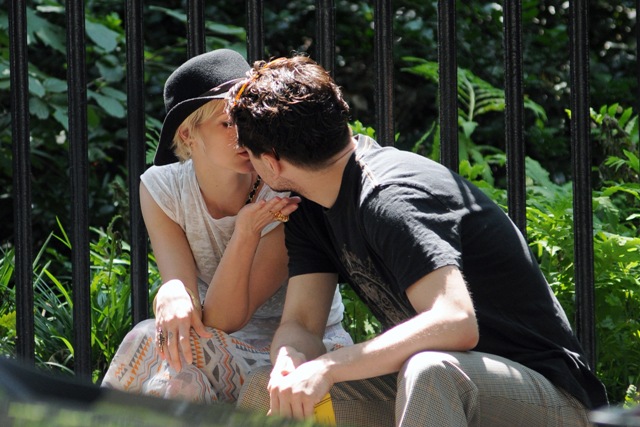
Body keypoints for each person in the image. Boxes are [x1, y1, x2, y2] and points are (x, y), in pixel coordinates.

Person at [226, 55, 609, 426]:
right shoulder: (311, 209)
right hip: (442, 391)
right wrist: (289, 360)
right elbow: (302, 323)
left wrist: (329, 367)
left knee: (430, 369)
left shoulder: (389, 198)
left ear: (271, 161)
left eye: (249, 155)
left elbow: (455, 322)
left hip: (550, 400)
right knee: (267, 389)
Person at [101, 49, 352, 404]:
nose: (245, 133)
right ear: (188, 134)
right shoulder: (162, 189)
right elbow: (185, 300)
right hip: (207, 345)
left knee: (151, 340)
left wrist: (246, 233)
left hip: (293, 355)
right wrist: (171, 291)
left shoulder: (281, 187)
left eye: (245, 118)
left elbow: (225, 318)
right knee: (179, 382)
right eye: (227, 123)